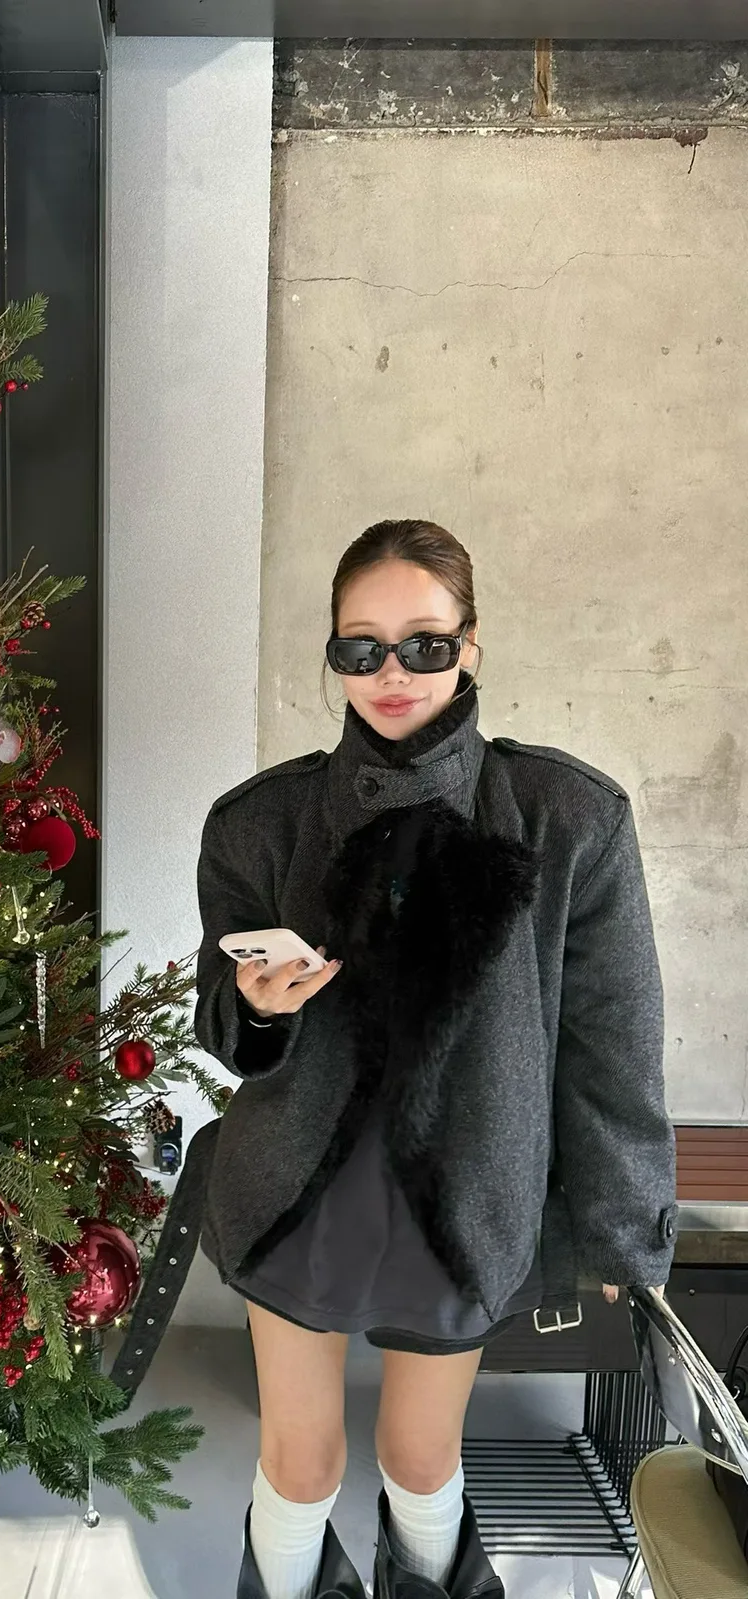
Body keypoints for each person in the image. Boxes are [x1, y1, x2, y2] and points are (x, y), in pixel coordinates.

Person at [192, 519, 678, 1599]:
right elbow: (220, 1027)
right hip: (295, 1184)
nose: (392, 673)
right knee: (301, 1462)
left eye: (424, 643)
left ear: (471, 645)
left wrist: (619, 1225)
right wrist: (255, 1006)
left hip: (463, 1188)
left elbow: (612, 1043)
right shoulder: (260, 822)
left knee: (420, 1457)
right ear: (333, 656)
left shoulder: (567, 816)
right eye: (360, 648)